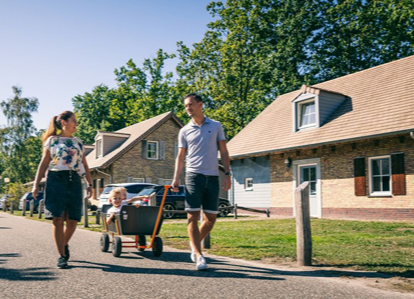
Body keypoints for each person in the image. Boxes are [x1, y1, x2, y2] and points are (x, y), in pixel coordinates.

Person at [171, 93, 231, 271]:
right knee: (193, 216)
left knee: (211, 218)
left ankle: (194, 242)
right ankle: (199, 255)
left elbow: (224, 152)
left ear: (200, 104)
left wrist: (227, 174)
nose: (187, 108)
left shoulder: (216, 126)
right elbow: (180, 157)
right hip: (193, 176)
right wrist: (176, 178)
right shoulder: (184, 130)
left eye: (190, 104)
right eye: (185, 106)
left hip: (212, 176)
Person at [32, 110, 93, 269]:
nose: (76, 123)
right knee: (57, 219)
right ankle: (62, 256)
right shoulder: (52, 141)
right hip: (55, 179)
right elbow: (44, 163)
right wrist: (36, 184)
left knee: (72, 221)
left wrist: (90, 184)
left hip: (74, 180)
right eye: (73, 120)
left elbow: (85, 165)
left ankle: (63, 245)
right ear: (64, 122)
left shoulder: (78, 142)